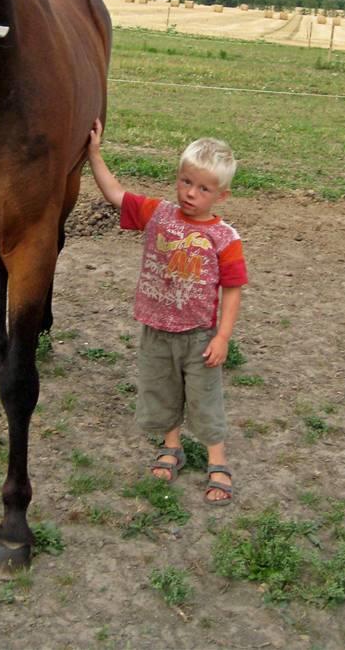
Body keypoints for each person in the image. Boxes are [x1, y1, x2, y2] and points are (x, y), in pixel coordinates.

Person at [87, 119, 248, 505]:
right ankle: (171, 445)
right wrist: (93, 154)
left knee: (204, 398)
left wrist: (223, 336)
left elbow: (233, 290)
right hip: (155, 329)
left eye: (203, 188)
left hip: (199, 336)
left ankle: (217, 459)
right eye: (185, 182)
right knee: (161, 391)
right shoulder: (157, 214)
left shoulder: (224, 237)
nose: (191, 193)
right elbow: (115, 194)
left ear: (221, 196)